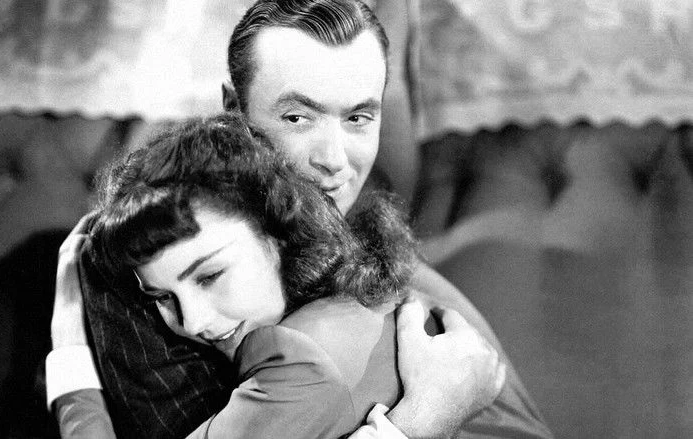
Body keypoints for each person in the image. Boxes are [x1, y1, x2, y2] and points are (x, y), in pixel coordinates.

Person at [53, 0, 552, 437]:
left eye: (358, 118)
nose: (334, 160)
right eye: (298, 118)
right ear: (234, 114)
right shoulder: (150, 257)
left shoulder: (391, 281)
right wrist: (422, 420)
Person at [49, 113, 508, 438]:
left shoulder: (295, 358)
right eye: (162, 298)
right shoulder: (364, 296)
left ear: (278, 233)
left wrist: (69, 340)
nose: (192, 321)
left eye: (210, 276)